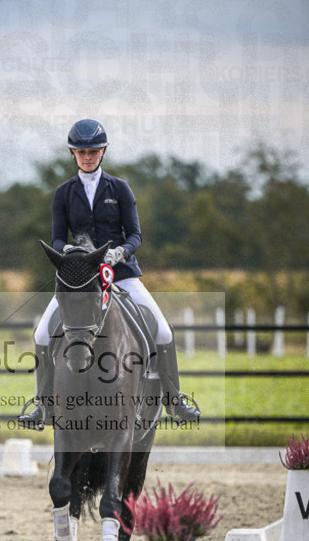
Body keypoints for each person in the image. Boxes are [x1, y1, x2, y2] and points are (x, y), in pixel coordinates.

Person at [19, 118, 200, 429]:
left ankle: (174, 400)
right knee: (41, 333)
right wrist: (69, 254)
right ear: (72, 153)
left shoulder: (119, 188)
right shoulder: (64, 193)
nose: (87, 156)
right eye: (81, 151)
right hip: (81, 278)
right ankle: (43, 405)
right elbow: (58, 237)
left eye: (92, 151)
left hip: (122, 273)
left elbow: (135, 235)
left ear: (102, 151)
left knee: (164, 332)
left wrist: (121, 252)